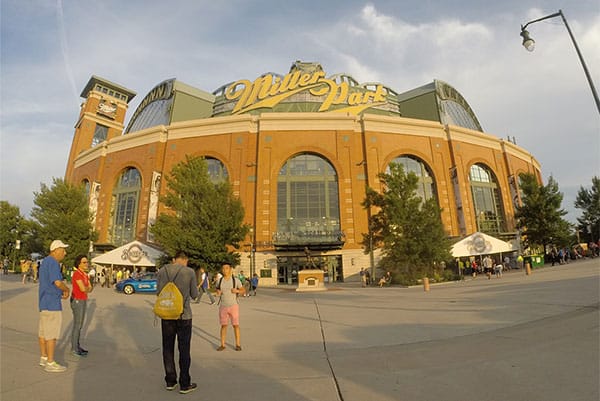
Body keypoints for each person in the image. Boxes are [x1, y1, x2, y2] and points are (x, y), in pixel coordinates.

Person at [156, 251, 198, 394]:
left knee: (167, 348)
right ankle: (185, 384)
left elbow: (158, 292)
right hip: (184, 316)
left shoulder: (162, 271)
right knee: (184, 350)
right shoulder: (190, 272)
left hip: (167, 315)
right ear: (185, 260)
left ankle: (170, 381)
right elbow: (194, 294)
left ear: (174, 259)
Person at [38, 240, 71, 373]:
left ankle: (44, 357)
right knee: (51, 333)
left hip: (43, 302)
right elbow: (57, 282)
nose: (65, 253)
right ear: (56, 250)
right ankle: (51, 362)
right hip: (52, 303)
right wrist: (66, 289)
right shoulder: (53, 263)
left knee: (43, 332)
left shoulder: (45, 262)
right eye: (63, 250)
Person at [215, 263, 244, 351]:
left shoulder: (236, 280)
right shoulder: (219, 281)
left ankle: (238, 344)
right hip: (223, 306)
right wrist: (218, 292)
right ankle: (222, 344)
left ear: (230, 269)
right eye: (223, 268)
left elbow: (243, 290)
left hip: (233, 306)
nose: (224, 270)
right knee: (224, 325)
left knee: (235, 325)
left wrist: (237, 291)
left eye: (226, 268)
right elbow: (217, 289)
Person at [71, 254, 93, 356]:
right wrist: (87, 288)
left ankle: (77, 346)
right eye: (84, 262)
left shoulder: (84, 274)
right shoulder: (77, 274)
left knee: (79, 325)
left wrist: (87, 288)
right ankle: (74, 348)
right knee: (77, 325)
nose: (86, 264)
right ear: (79, 264)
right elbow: (83, 289)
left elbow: (90, 288)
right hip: (77, 300)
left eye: (87, 262)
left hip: (83, 299)